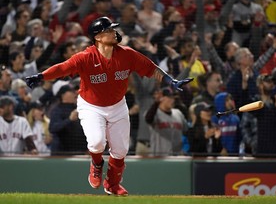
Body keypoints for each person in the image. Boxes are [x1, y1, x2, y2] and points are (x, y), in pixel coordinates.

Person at [25, 16, 193, 196]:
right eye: (109, 30)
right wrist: (41, 76)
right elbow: (62, 68)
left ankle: (112, 184)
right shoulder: (86, 57)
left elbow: (151, 68)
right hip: (91, 106)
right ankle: (97, 164)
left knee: (120, 150)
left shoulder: (127, 54)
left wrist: (171, 81)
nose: (114, 32)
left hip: (118, 105)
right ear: (98, 37)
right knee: (97, 143)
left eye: (114, 29)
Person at [145, 87, 188, 156]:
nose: (172, 100)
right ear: (162, 98)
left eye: (173, 98)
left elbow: (187, 130)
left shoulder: (178, 113)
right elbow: (148, 119)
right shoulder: (154, 113)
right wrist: (156, 103)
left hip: (177, 156)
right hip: (158, 156)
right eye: (169, 98)